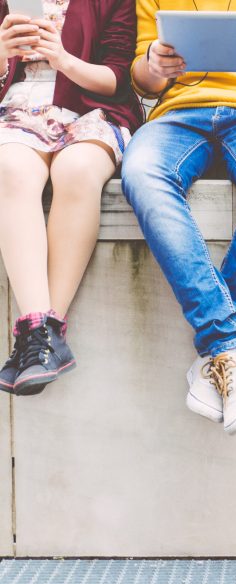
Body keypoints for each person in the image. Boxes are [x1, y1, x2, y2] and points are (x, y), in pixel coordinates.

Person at [121, 0, 236, 435]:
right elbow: (143, 83)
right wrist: (154, 64)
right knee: (141, 172)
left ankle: (219, 349)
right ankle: (232, 341)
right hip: (177, 114)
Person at [0, 0, 142, 396]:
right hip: (15, 111)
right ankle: (39, 335)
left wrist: (63, 59)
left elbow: (117, 78)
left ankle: (42, 336)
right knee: (9, 168)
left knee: (78, 170)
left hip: (89, 109)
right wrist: (2, 51)